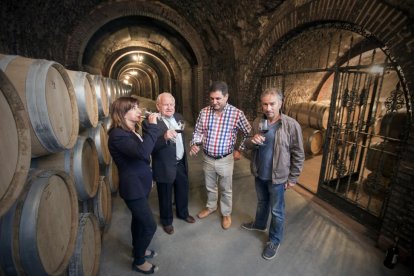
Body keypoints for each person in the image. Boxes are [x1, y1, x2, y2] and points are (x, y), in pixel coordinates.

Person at [241, 87, 304, 260]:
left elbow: (298, 153)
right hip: (260, 173)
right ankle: (260, 224)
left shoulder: (291, 125)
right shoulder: (257, 122)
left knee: (277, 211)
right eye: (265, 104)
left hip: (278, 178)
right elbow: (246, 144)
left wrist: (293, 178)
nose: (268, 108)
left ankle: (274, 240)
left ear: (280, 104)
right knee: (262, 202)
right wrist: (252, 141)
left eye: (272, 104)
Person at [107, 96, 161, 274]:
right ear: (123, 113)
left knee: (138, 221)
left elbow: (145, 150)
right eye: (135, 108)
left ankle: (138, 248)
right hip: (133, 188)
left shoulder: (130, 131)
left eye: (139, 107)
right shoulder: (117, 135)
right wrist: (152, 127)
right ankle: (138, 261)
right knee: (149, 225)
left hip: (141, 184)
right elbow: (143, 152)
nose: (140, 111)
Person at [190, 81, 251, 229]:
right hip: (207, 157)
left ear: (226, 97)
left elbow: (248, 132)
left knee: (226, 189)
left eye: (218, 98)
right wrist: (195, 143)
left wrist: (240, 149)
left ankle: (226, 213)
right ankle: (211, 207)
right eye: (212, 99)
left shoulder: (236, 114)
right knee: (210, 186)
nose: (214, 102)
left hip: (225, 159)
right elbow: (197, 132)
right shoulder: (204, 112)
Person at [142, 92, 195, 235]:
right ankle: (166, 221)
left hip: (180, 162)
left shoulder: (178, 117)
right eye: (166, 104)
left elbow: (181, 138)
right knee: (164, 194)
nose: (169, 107)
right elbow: (150, 147)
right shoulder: (149, 122)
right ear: (158, 106)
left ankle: (183, 213)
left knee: (183, 190)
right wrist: (164, 136)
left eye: (172, 104)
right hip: (164, 165)